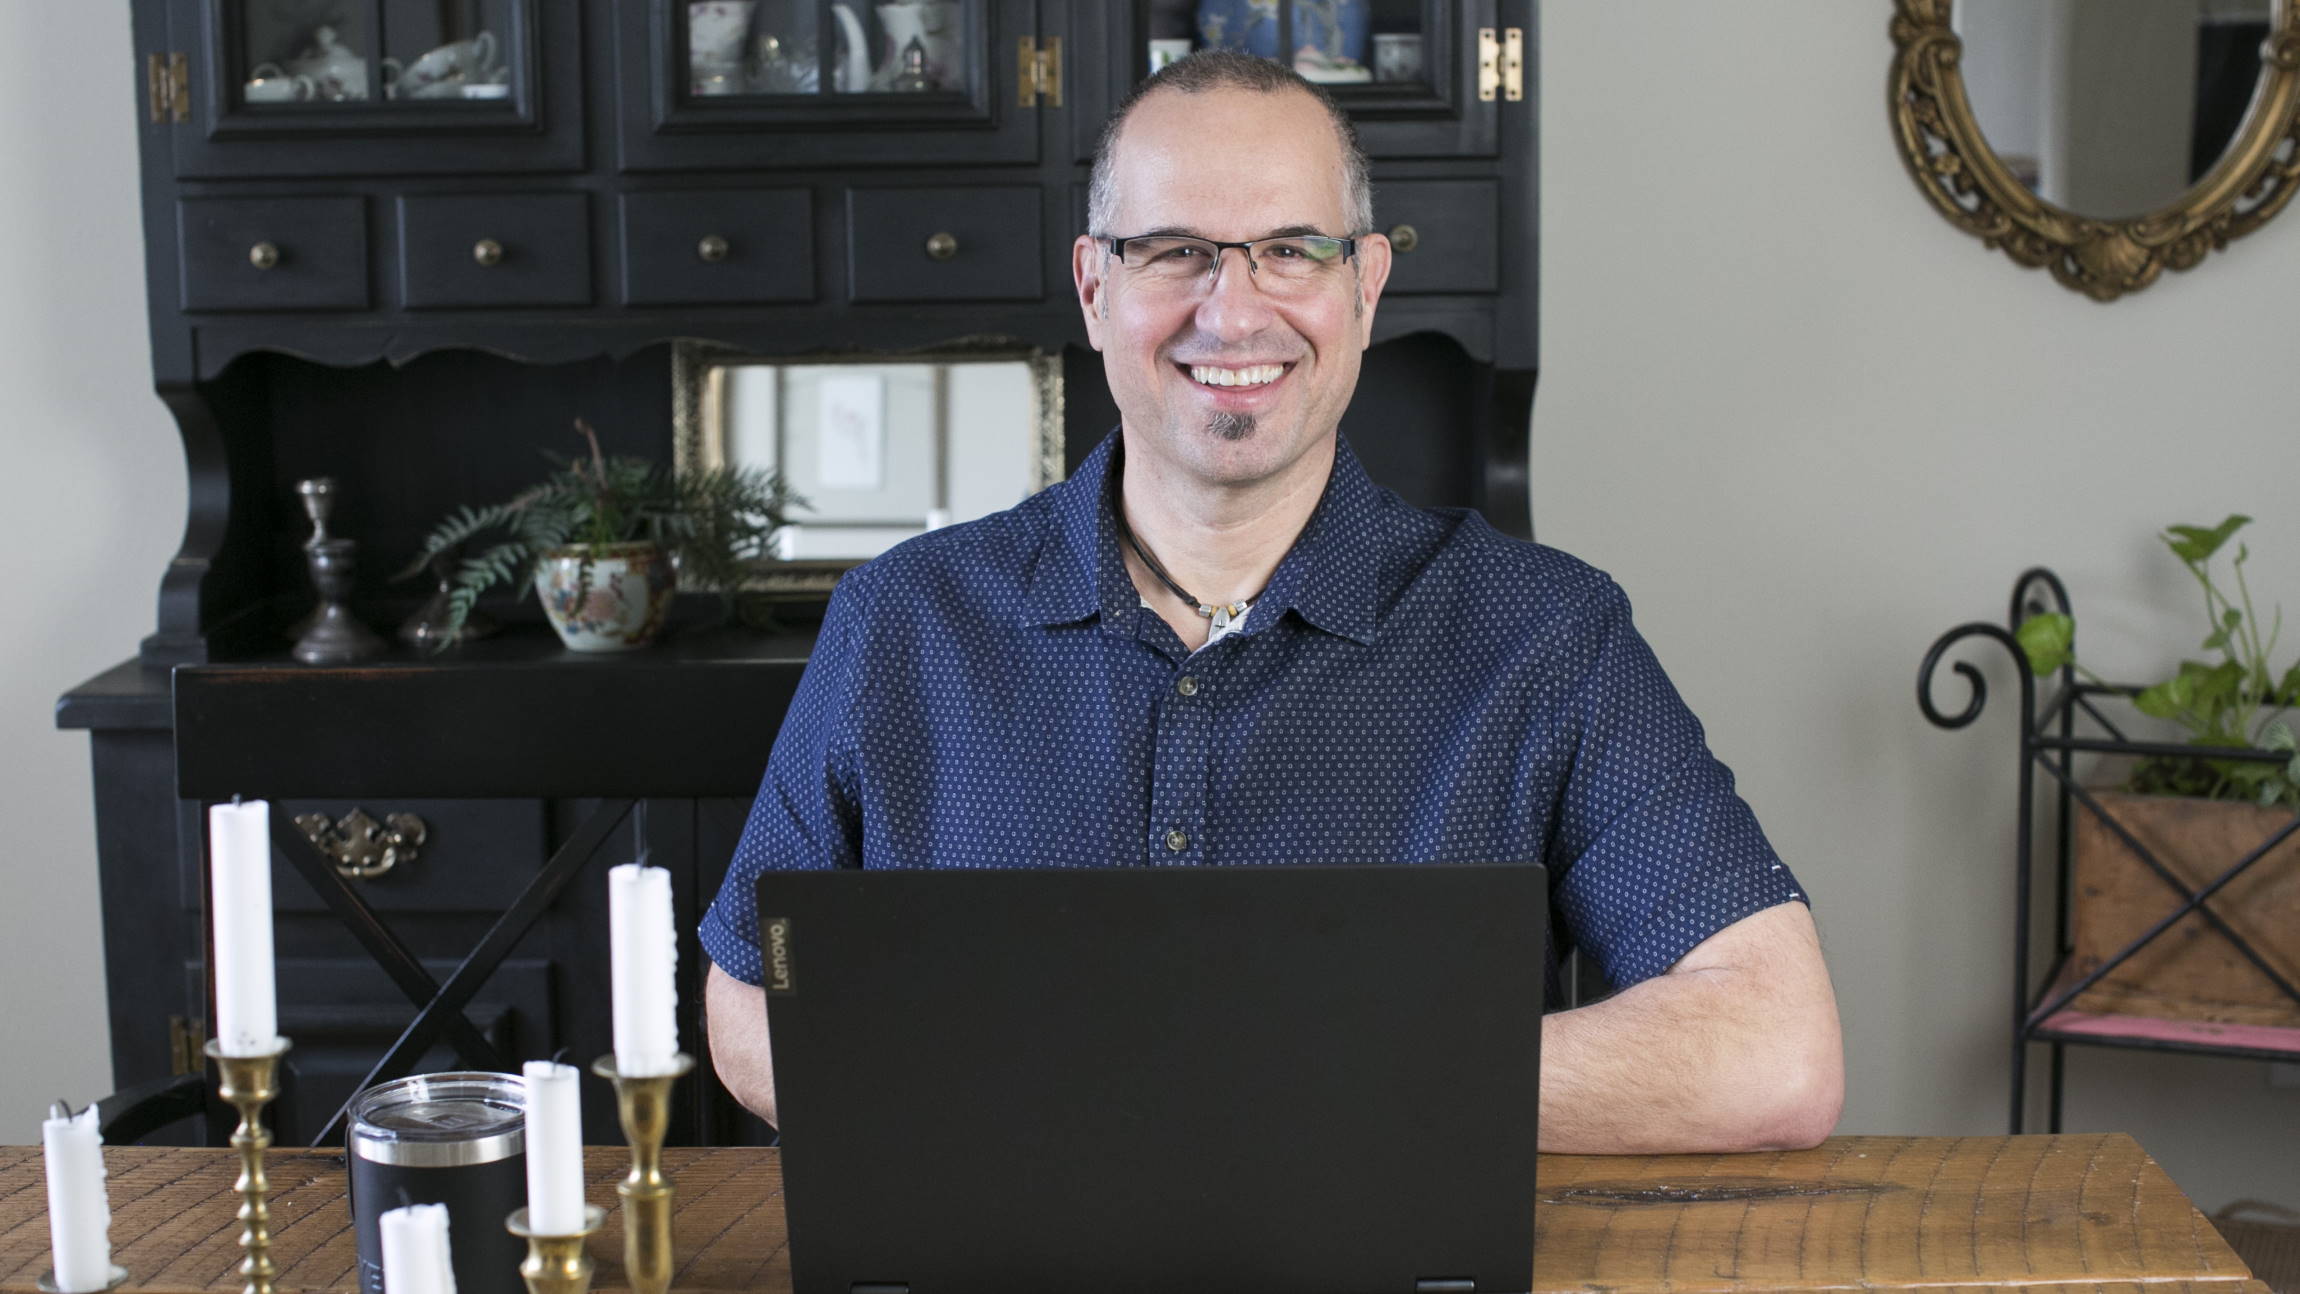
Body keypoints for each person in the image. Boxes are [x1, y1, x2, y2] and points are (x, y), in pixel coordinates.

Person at [700, 51, 1843, 1154]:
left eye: (1289, 249)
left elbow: (1773, 1045)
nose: (1233, 311)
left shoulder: (1543, 637)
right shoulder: (901, 622)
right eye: (1173, 251)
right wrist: (1030, 1127)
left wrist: (1281, 1085)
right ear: (1095, 288)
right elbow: (749, 996)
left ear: (1363, 286)